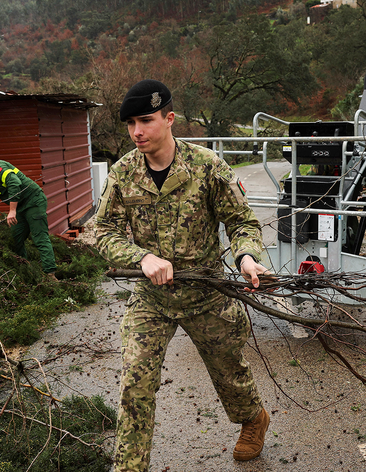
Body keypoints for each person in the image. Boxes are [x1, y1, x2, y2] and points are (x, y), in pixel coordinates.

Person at [94, 79, 272, 471]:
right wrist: (140, 257)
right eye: (129, 124)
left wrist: (245, 256)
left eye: (145, 120)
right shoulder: (123, 173)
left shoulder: (206, 166)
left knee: (230, 374)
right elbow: (100, 230)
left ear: (169, 118)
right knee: (135, 385)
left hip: (206, 294)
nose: (136, 132)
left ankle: (253, 419)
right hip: (151, 300)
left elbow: (241, 221)